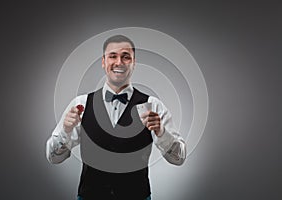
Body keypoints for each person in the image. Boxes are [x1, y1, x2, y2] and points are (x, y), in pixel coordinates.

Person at [46, 35, 186, 200]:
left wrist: (162, 133)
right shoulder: (81, 104)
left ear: (134, 63)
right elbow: (54, 158)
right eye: (113, 56)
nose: (119, 62)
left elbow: (179, 158)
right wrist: (65, 130)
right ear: (103, 62)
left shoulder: (152, 106)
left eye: (126, 57)